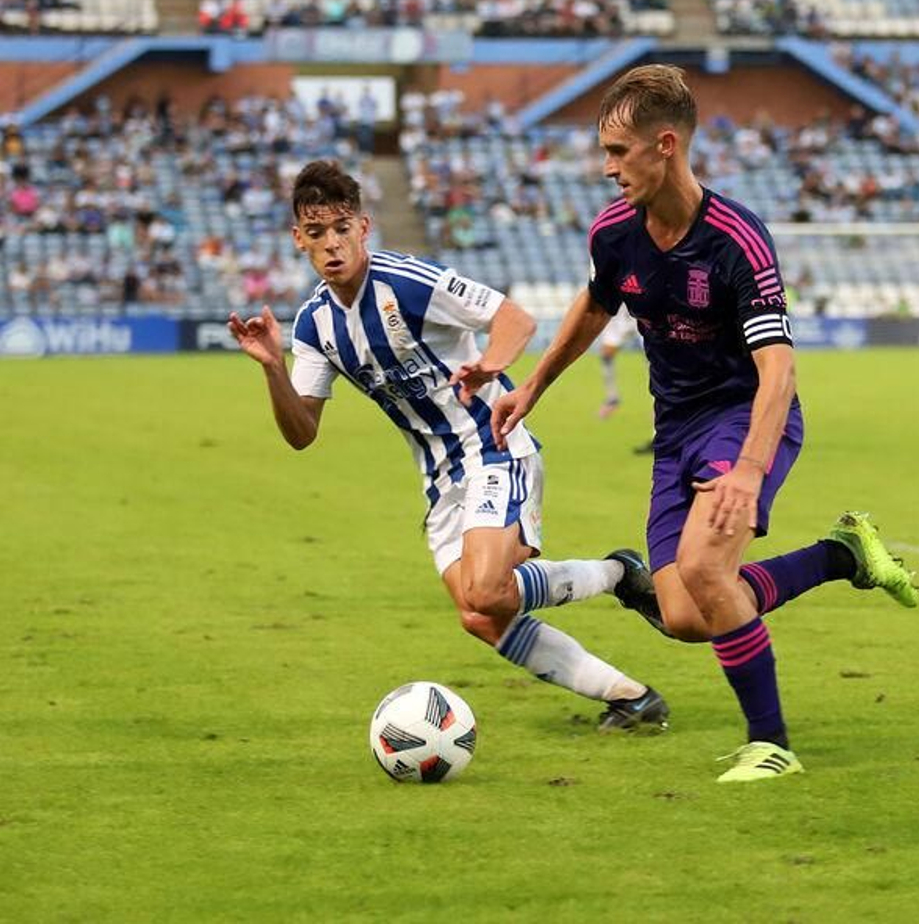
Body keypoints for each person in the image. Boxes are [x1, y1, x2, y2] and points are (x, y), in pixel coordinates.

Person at [492, 65, 919, 782]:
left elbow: (779, 369)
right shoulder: (613, 234)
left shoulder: (736, 239)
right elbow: (596, 306)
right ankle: (843, 555)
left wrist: (749, 470)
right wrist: (533, 383)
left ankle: (771, 743)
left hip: (743, 418)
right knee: (688, 613)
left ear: (665, 145)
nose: (606, 168)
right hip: (676, 429)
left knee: (703, 568)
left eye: (618, 151)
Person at [229, 160, 670, 732]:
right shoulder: (314, 325)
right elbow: (301, 432)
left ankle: (615, 575)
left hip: (493, 446)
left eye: (342, 228)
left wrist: (491, 364)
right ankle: (632, 695)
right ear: (298, 240)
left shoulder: (407, 283)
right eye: (317, 233)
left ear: (364, 228)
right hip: (439, 480)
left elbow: (513, 318)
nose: (332, 244)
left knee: (487, 590)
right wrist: (272, 370)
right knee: (480, 615)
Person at [595, 304, 636, 419]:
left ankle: (659, 402)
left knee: (654, 355)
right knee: (606, 355)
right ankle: (612, 399)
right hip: (618, 312)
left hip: (640, 307)